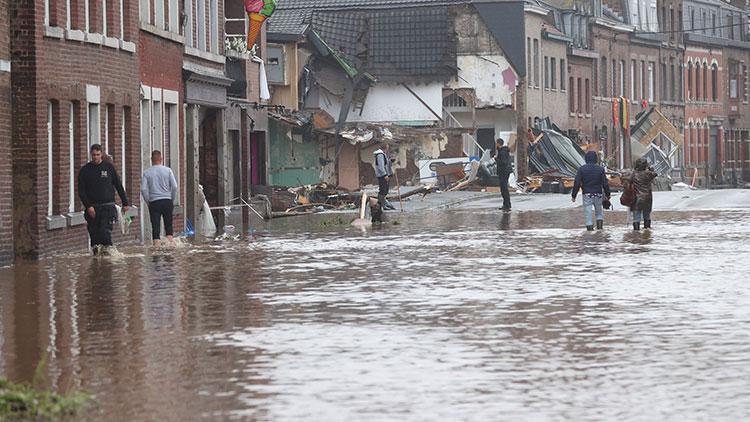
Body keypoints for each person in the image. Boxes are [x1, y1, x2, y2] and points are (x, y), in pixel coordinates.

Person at [79, 144, 129, 254]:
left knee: (105, 232)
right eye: (93, 155)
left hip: (108, 206)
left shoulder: (109, 168)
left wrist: (125, 203)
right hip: (93, 208)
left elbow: (118, 185)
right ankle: (97, 260)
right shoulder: (85, 171)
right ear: (91, 155)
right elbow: (81, 192)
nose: (96, 157)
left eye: (98, 155)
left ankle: (110, 256)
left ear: (101, 154)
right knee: (94, 236)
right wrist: (88, 206)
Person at [141, 150, 179, 245]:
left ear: (151, 160)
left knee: (155, 227)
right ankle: (170, 250)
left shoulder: (147, 173)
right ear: (161, 159)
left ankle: (156, 252)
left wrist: (148, 201)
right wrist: (172, 199)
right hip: (167, 201)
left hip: (154, 202)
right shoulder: (168, 170)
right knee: (169, 227)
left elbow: (143, 189)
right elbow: (174, 186)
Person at [572, 151, 611, 231]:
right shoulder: (600, 169)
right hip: (598, 194)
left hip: (587, 194)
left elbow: (577, 182)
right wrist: (608, 194)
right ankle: (600, 230)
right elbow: (605, 183)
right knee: (599, 212)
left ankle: (589, 232)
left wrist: (574, 195)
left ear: (586, 159)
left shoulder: (581, 169)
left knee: (588, 214)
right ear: (596, 159)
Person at [626, 158, 658, 230]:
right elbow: (655, 174)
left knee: (636, 217)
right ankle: (647, 231)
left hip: (637, 198)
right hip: (647, 198)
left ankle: (636, 233)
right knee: (647, 216)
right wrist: (650, 169)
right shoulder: (648, 173)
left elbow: (628, 182)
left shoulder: (634, 174)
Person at [373, 143, 395, 210]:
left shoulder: (383, 154)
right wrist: (384, 175)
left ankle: (384, 202)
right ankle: (381, 204)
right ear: (385, 147)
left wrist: (390, 161)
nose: (388, 149)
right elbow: (381, 166)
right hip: (382, 176)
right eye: (387, 147)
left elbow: (386, 164)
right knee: (383, 190)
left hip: (386, 174)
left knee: (385, 190)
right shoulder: (380, 155)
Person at [495, 138, 513, 212]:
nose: (495, 145)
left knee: (504, 189)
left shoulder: (502, 152)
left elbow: (503, 162)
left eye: (496, 143)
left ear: (498, 144)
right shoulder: (504, 151)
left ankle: (507, 205)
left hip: (504, 172)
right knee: (504, 188)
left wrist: (496, 159)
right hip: (505, 171)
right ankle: (506, 204)